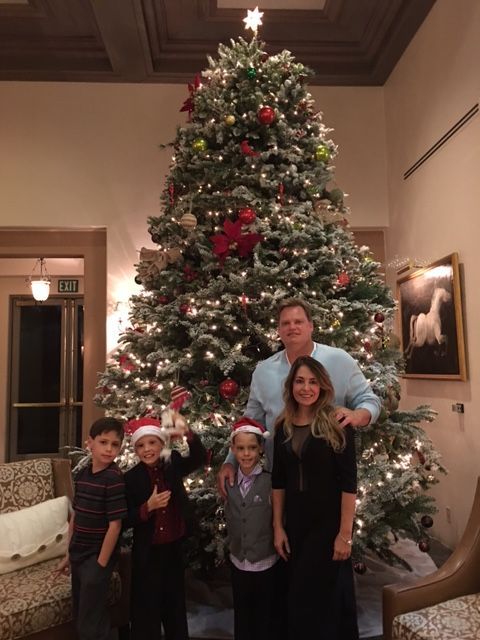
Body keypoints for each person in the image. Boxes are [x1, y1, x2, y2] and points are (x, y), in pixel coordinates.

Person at [218, 297, 380, 493]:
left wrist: (358, 415)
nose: (292, 327)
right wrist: (231, 461)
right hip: (279, 481)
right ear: (278, 330)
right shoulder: (263, 371)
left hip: (328, 482)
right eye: (285, 323)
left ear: (311, 326)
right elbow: (251, 422)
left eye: (298, 321)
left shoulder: (340, 360)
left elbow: (369, 400)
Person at [272, 355, 359, 639]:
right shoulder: (282, 427)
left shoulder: (337, 424)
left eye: (312, 382)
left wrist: (345, 535)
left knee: (325, 603)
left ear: (322, 386)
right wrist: (278, 527)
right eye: (300, 381)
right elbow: (278, 481)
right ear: (291, 386)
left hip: (328, 527)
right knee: (297, 600)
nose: (306, 388)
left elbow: (349, 484)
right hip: (296, 526)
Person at [124, 413, 206, 640]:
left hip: (173, 548)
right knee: (147, 607)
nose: (147, 449)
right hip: (148, 553)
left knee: (175, 603)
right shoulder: (131, 479)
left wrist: (188, 433)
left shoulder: (173, 463)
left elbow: (199, 457)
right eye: (141, 445)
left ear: (162, 444)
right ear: (135, 450)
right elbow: (125, 518)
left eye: (152, 442)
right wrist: (147, 508)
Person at [56, 416, 127, 640]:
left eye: (115, 444)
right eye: (103, 442)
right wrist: (69, 554)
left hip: (96, 557)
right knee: (81, 611)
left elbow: (115, 525)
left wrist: (101, 564)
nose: (109, 449)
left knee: (91, 621)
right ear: (90, 443)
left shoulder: (113, 479)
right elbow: (76, 515)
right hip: (79, 553)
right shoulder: (83, 474)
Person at [224, 416, 278, 640]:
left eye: (252, 448)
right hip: (239, 561)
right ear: (233, 450)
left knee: (264, 618)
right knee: (243, 616)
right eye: (241, 448)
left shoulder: (270, 482)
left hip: (265, 562)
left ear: (261, 448)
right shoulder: (227, 482)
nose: (246, 454)